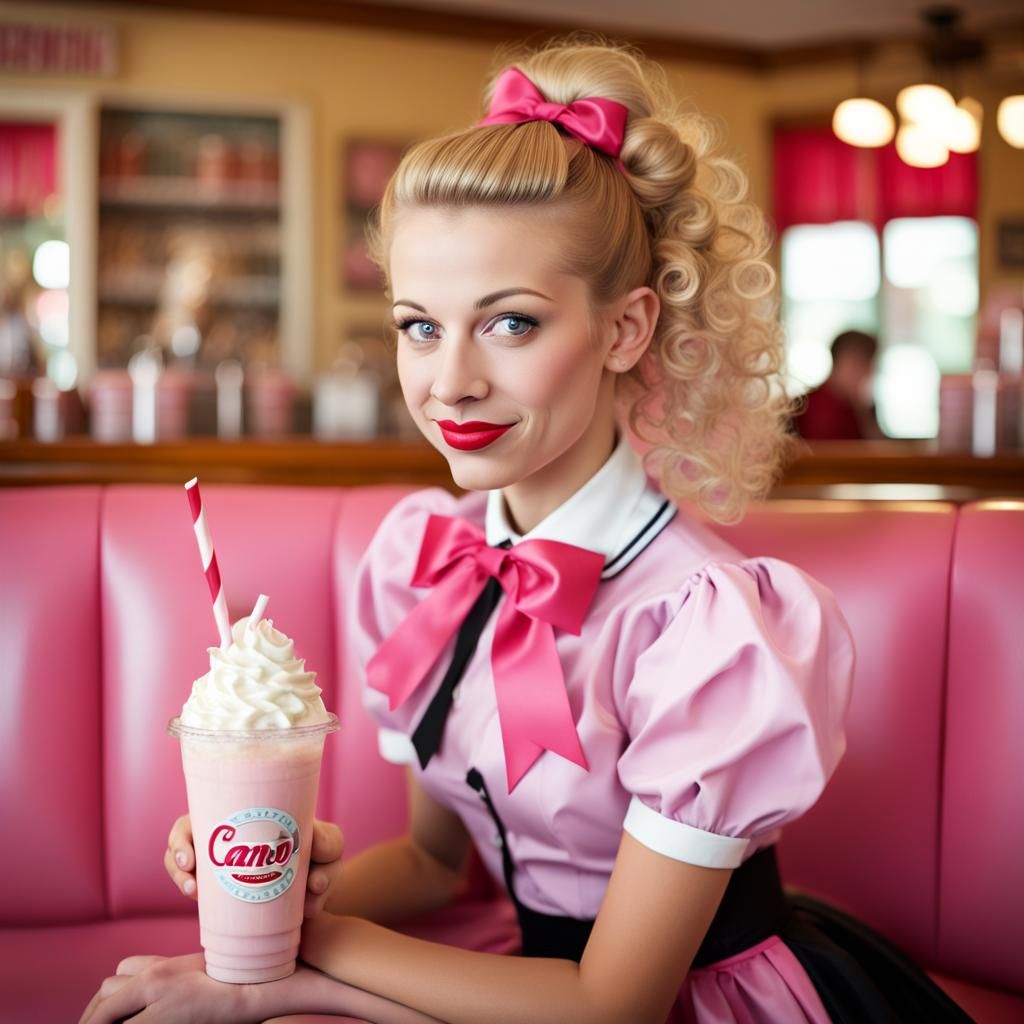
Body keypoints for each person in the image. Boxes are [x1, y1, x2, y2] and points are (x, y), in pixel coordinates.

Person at [81, 35, 972, 1024]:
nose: (451, 380)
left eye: (509, 322)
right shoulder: (423, 562)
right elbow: (431, 864)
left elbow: (611, 1004)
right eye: (420, 324)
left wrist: (294, 955)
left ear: (626, 330)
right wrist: (254, 895)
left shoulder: (703, 628)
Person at [794, 329, 884, 441]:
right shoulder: (809, 406)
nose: (870, 372)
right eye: (866, 364)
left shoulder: (854, 406)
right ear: (848, 363)